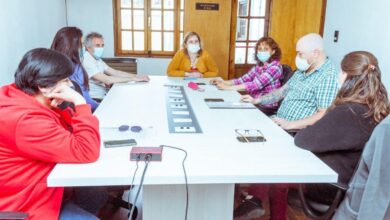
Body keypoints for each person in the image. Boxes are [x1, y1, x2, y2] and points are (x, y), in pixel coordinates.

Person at [0, 48, 102, 219]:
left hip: (42, 185)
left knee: (96, 193)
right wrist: (80, 102)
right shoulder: (26, 120)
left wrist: (64, 106)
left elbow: (68, 129)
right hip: (26, 204)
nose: (70, 85)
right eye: (65, 80)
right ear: (43, 87)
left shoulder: (22, 95)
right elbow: (86, 150)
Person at [294, 51, 390, 204]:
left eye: (341, 72)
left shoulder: (348, 112)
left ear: (347, 77)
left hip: (332, 186)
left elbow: (302, 140)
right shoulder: (380, 108)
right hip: (357, 186)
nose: (338, 76)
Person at [241, 33, 339, 130]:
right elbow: (282, 91)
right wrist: (258, 100)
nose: (297, 57)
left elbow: (324, 114)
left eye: (300, 54)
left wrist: (291, 124)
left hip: (295, 131)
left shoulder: (328, 76)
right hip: (279, 123)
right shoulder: (303, 70)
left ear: (315, 54)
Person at [210, 37, 283, 109]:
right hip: (253, 101)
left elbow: (255, 85)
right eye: (260, 49)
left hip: (266, 106)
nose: (262, 51)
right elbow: (242, 80)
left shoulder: (275, 67)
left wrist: (228, 88)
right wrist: (223, 82)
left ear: (273, 51)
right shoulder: (259, 66)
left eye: (266, 49)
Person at [82, 32, 150, 101]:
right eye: (97, 45)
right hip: (95, 99)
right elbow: (107, 80)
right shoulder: (87, 61)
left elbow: (115, 72)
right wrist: (133, 79)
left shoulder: (96, 59)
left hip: (103, 95)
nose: (101, 48)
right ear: (88, 47)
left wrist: (136, 76)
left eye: (102, 45)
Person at [51, 26, 99, 111]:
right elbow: (86, 100)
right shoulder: (76, 67)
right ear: (72, 46)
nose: (83, 47)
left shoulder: (49, 64)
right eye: (81, 44)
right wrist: (102, 106)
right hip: (80, 111)